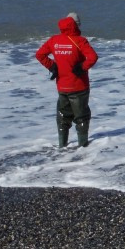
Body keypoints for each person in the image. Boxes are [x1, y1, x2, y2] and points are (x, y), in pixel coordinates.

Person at [35, 12, 99, 148]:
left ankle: (62, 146)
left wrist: (52, 66)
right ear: (76, 25)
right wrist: (82, 67)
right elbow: (93, 57)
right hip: (79, 86)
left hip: (62, 87)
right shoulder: (80, 41)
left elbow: (40, 54)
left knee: (63, 116)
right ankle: (83, 147)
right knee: (81, 117)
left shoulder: (54, 40)